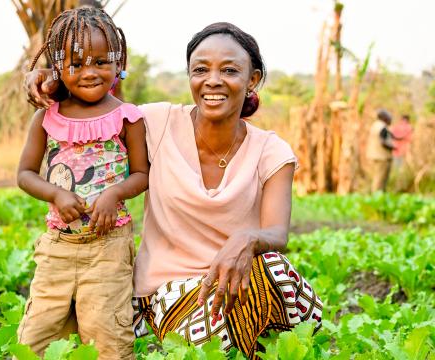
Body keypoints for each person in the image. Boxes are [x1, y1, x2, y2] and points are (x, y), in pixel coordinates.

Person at [25, 22, 322, 359]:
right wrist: (48, 76)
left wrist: (248, 239)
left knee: (273, 271)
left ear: (252, 79)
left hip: (232, 283)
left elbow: (277, 232)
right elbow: (95, 103)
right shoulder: (157, 122)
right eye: (200, 69)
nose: (212, 80)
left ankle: (253, 341)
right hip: (167, 293)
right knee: (214, 339)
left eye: (229, 70)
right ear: (190, 77)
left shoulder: (271, 150)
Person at [17, 7, 148, 359]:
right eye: (76, 65)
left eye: (102, 62)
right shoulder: (46, 117)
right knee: (35, 336)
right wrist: (56, 194)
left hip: (108, 246)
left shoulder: (127, 117)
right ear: (58, 67)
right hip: (58, 245)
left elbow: (141, 174)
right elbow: (25, 174)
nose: (90, 73)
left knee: (108, 336)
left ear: (118, 61)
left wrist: (115, 193)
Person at [366, 109, 395, 192]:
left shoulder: (375, 125)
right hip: (382, 156)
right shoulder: (382, 127)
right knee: (380, 178)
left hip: (375, 155)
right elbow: (383, 142)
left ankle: (377, 195)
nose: (390, 119)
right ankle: (377, 195)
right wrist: (392, 147)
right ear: (384, 118)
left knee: (377, 177)